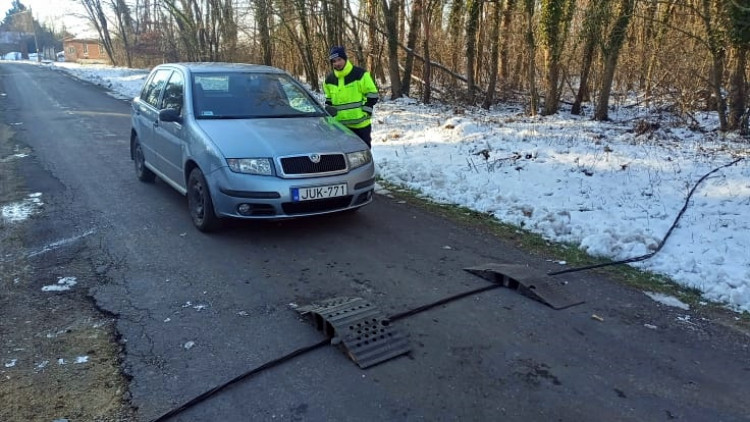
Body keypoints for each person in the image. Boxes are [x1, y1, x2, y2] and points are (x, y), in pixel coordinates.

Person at [323, 46, 379, 148]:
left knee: (363, 153)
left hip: (361, 125)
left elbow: (372, 94)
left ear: (345, 59)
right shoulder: (329, 80)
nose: (337, 63)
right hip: (340, 126)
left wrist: (366, 112)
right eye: (334, 61)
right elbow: (329, 99)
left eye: (339, 60)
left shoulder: (360, 74)